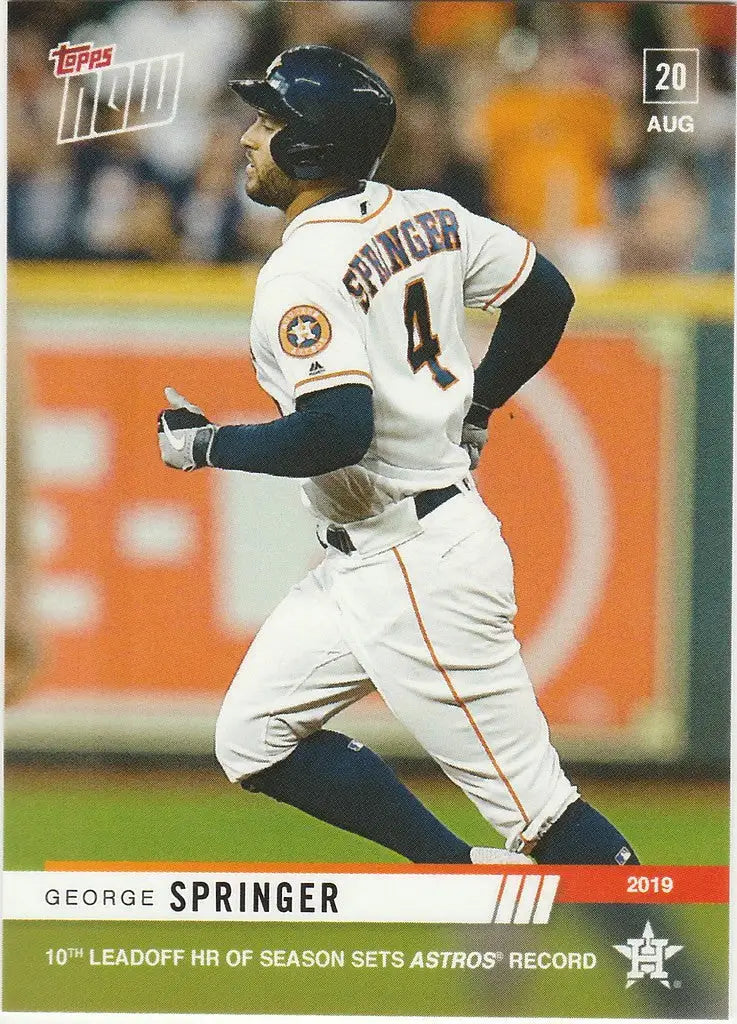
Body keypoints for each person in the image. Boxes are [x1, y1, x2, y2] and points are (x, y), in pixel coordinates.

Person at [157, 45, 639, 867]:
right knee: (253, 738)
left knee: (542, 814)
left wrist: (207, 445)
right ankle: (456, 875)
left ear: (308, 149)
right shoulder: (429, 214)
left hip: (419, 561)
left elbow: (336, 431)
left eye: (268, 121)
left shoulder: (302, 269)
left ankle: (677, 983)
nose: (248, 135)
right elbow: (545, 294)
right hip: (369, 557)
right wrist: (480, 401)